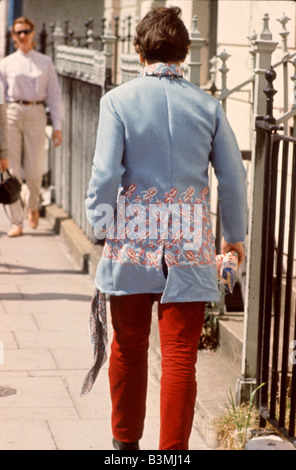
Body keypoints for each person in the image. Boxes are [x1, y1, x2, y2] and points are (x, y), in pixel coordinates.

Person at [85, 7, 247, 450]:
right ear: (185, 52)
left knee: (129, 345)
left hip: (133, 239)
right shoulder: (207, 105)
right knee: (179, 356)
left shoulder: (118, 101)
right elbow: (233, 177)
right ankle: (173, 455)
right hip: (190, 243)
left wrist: (100, 224)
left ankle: (125, 446)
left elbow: (104, 176)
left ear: (139, 50)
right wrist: (234, 236)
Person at [0, 16, 63, 237]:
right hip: (12, 113)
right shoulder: (6, 63)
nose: (22, 36)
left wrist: (57, 125)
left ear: (33, 33)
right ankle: (17, 221)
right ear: (13, 36)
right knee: (12, 170)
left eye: (26, 31)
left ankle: (33, 205)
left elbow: (54, 96)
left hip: (36, 112)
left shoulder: (45, 62)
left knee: (35, 169)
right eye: (18, 32)